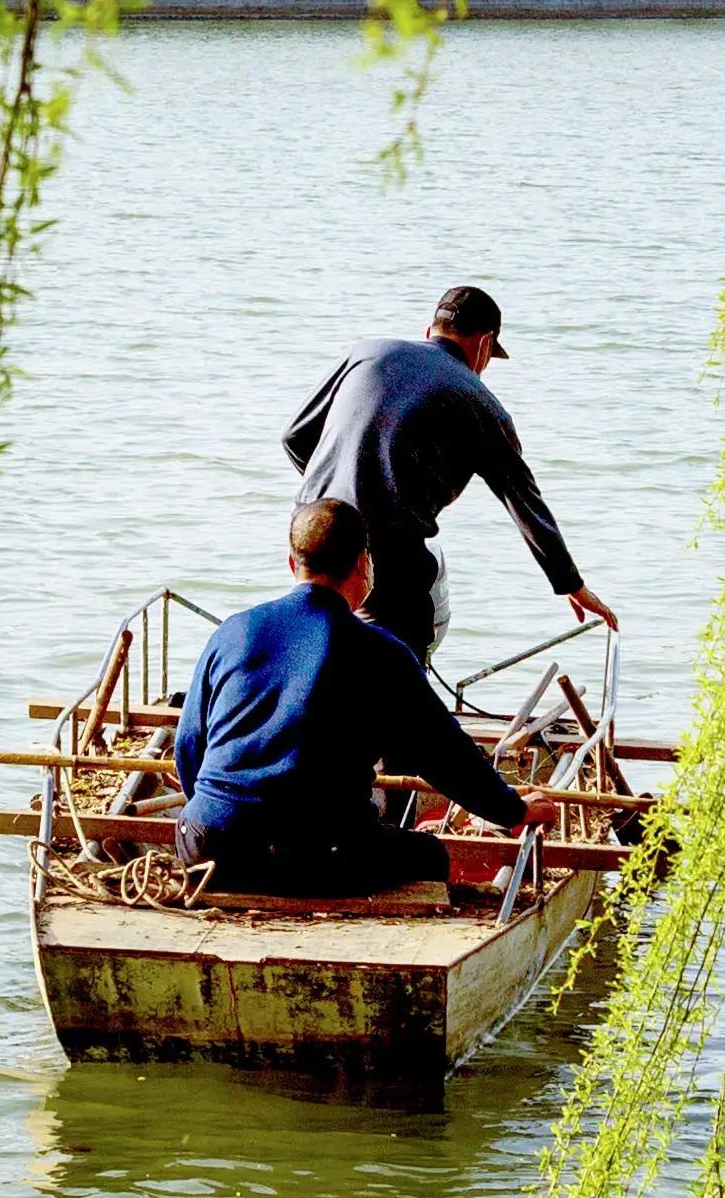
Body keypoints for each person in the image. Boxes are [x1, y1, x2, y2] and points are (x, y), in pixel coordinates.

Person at [173, 497, 539, 895]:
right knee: (429, 855)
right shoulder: (384, 654)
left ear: (292, 563)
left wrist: (220, 817)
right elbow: (445, 756)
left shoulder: (232, 632)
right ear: (365, 564)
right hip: (319, 856)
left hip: (205, 845)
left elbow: (189, 745)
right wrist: (512, 810)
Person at [281, 283, 616, 657]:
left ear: (429, 331)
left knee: (314, 634)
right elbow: (524, 502)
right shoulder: (481, 403)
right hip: (387, 548)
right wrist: (570, 584)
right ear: (485, 344)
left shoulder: (368, 352)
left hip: (310, 531)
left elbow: (294, 436)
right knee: (399, 651)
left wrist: (338, 491)